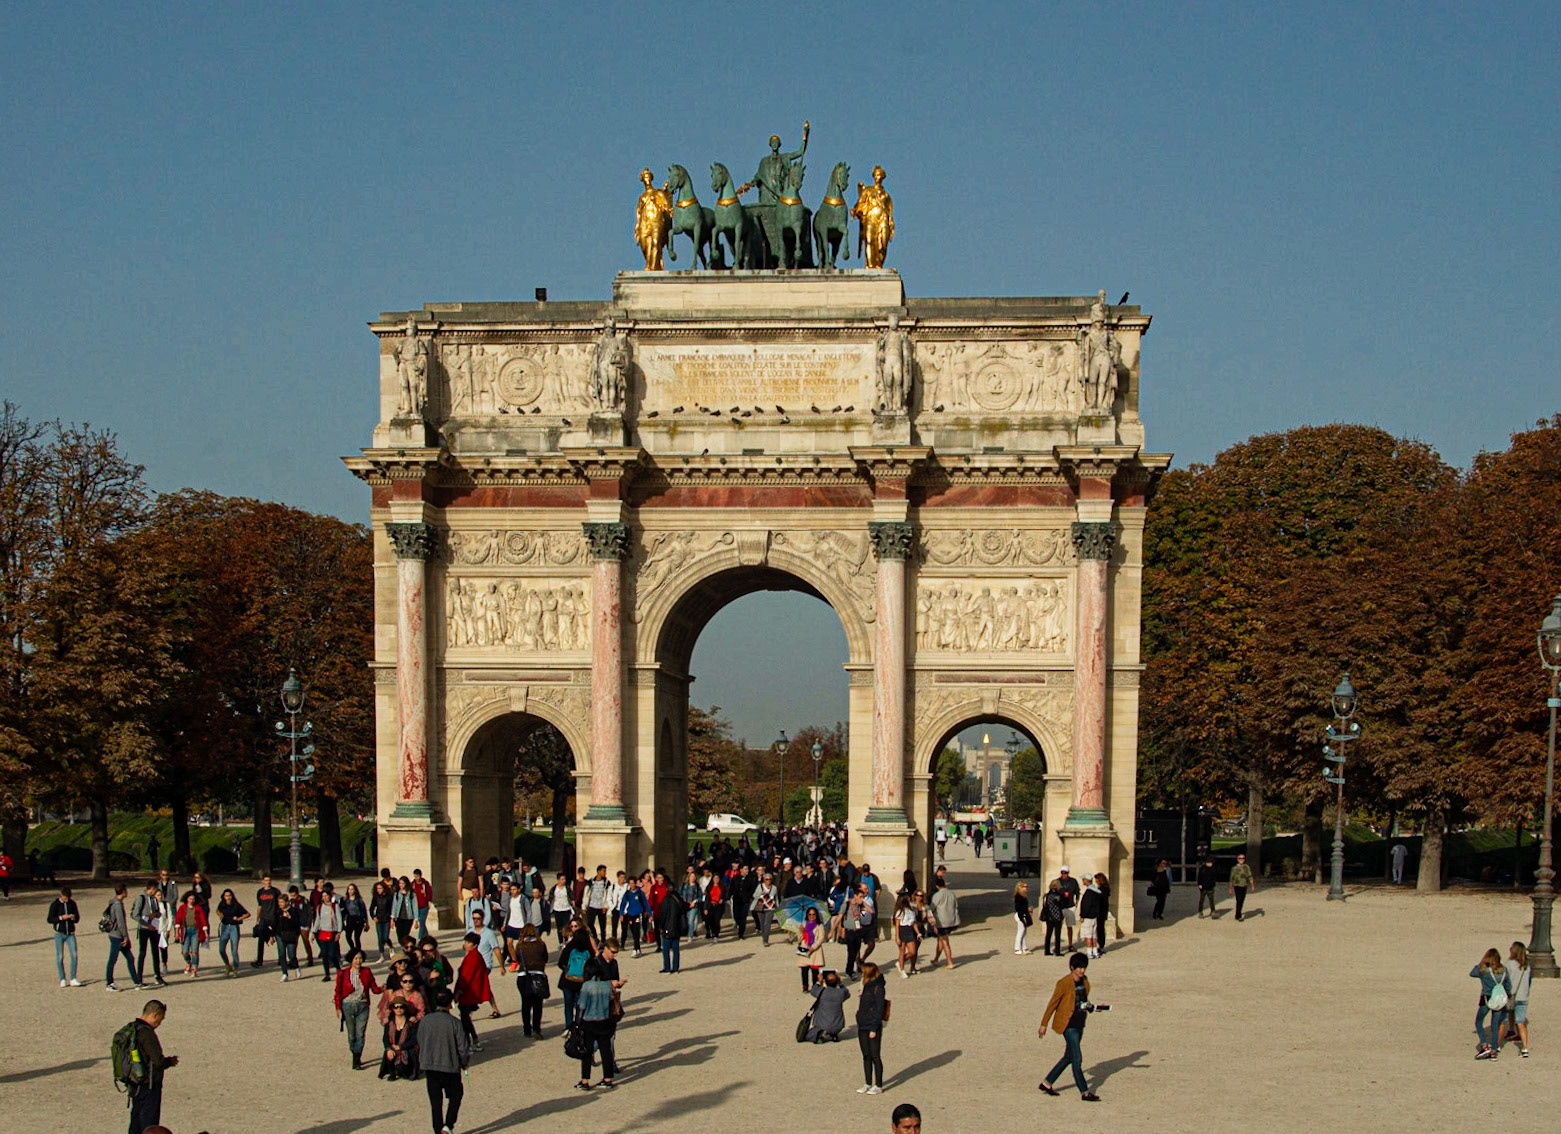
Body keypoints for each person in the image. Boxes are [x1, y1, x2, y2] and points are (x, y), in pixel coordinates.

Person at [1037, 952, 1101, 1101]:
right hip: (1068, 1025)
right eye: (1079, 968)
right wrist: (1044, 1024)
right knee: (1077, 1059)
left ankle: (1047, 1083)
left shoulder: (1085, 982)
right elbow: (1052, 1004)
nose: (1082, 970)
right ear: (1072, 967)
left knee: (1068, 1057)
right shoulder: (1063, 983)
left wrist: (1092, 1007)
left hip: (1079, 1023)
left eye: (1084, 967)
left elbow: (1083, 1001)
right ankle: (1085, 1092)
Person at [121, 998, 178, 1134]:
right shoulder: (146, 1033)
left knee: (135, 1121)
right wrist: (170, 1061)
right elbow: (158, 1061)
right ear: (154, 1014)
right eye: (160, 1019)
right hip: (149, 1085)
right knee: (149, 1126)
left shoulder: (131, 1029)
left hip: (134, 1083)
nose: (159, 1024)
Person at [418, 989, 471, 1134]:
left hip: (430, 1065)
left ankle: (438, 1129)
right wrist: (464, 1062)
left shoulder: (425, 1020)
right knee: (456, 1095)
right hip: (450, 1065)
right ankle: (448, 1125)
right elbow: (463, 1047)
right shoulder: (454, 1022)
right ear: (450, 1003)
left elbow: (420, 1040)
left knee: (435, 1102)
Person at [335, 948, 384, 1070]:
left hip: (363, 1005)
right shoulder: (343, 973)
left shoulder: (366, 971)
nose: (358, 961)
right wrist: (338, 1008)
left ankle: (356, 1058)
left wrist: (382, 989)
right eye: (356, 958)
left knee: (360, 1033)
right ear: (351, 960)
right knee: (351, 1035)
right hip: (348, 1005)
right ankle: (355, 1052)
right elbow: (338, 991)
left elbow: (374, 989)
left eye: (360, 958)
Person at [576, 958, 618, 1089]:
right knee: (606, 1051)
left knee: (587, 1052)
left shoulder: (587, 985)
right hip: (605, 1020)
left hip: (589, 1021)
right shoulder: (607, 985)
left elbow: (582, 1005)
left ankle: (585, 1080)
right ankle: (608, 1079)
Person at [1471, 947, 1510, 1059]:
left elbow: (1472, 973)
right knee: (1494, 1025)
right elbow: (1508, 986)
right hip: (1499, 999)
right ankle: (1493, 1051)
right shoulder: (1504, 971)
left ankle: (1484, 1045)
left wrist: (1481, 963)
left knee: (1479, 1021)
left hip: (1486, 998)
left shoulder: (1484, 971)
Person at [855, 961, 887, 1095]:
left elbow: (880, 1009)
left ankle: (878, 1085)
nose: (861, 974)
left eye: (863, 972)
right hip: (862, 1024)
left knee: (875, 1056)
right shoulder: (866, 985)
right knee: (866, 1055)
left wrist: (874, 1028)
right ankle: (867, 1083)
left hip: (872, 1025)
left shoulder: (878, 988)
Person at [104, 882, 140, 991]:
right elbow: (121, 923)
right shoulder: (118, 905)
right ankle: (109, 983)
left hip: (115, 934)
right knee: (113, 959)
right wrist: (126, 937)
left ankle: (137, 982)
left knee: (130, 958)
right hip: (117, 936)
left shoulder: (114, 902)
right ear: (123, 891)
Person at [515, 925, 550, 1037]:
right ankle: (536, 1029)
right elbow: (545, 958)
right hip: (538, 975)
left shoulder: (520, 946)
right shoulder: (541, 944)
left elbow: (517, 959)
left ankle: (526, 1029)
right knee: (537, 1004)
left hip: (523, 976)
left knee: (525, 1003)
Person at [558, 925, 594, 1031]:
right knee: (580, 1005)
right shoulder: (588, 950)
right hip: (582, 983)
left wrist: (567, 970)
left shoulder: (570, 948)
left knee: (568, 1005)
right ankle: (578, 1026)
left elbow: (561, 963)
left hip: (568, 981)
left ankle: (568, 1026)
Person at [132, 882, 165, 988]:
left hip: (153, 927)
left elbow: (158, 912)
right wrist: (146, 923)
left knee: (155, 952)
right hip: (144, 928)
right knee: (142, 952)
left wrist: (156, 914)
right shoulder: (141, 898)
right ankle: (139, 978)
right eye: (155, 889)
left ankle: (158, 976)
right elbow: (135, 915)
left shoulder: (153, 899)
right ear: (151, 888)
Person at [1503, 941, 1533, 1057]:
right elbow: (1529, 981)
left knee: (1507, 1015)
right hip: (1523, 995)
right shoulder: (1527, 965)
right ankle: (1524, 1048)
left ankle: (1510, 1032)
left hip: (1511, 995)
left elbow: (1506, 980)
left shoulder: (1509, 964)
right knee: (1521, 1021)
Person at [47, 885, 81, 987]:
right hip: (59, 933)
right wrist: (61, 918)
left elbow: (77, 918)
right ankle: (62, 978)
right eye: (65, 898)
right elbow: (50, 919)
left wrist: (74, 917)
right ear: (61, 895)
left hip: (70, 933)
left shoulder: (72, 903)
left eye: (68, 898)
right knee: (60, 956)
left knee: (74, 955)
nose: (66, 900)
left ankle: (73, 978)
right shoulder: (55, 904)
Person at [379, 997, 420, 1081]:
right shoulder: (389, 1023)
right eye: (396, 1007)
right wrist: (388, 1048)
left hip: (407, 1050)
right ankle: (392, 1073)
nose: (399, 1009)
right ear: (392, 1008)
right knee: (389, 1052)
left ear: (405, 1008)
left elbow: (414, 1039)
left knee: (404, 1072)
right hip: (393, 1049)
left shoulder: (411, 1023)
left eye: (401, 1007)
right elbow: (385, 1038)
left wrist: (401, 1047)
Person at [807, 968, 851, 1042]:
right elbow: (847, 993)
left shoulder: (821, 992)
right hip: (838, 1025)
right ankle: (834, 1034)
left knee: (808, 1035)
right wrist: (840, 983)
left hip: (822, 1025)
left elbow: (813, 990)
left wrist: (819, 981)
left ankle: (821, 1034)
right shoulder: (840, 993)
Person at [214, 888, 248, 976]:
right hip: (225, 927)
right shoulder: (222, 904)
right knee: (221, 949)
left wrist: (239, 918)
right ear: (224, 897)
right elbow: (217, 910)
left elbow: (247, 914)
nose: (228, 898)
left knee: (234, 950)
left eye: (229, 896)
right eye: (226, 896)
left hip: (234, 927)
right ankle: (227, 965)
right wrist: (220, 915)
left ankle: (235, 968)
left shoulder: (236, 905)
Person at [173, 891, 209, 977]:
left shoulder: (198, 908)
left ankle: (194, 968)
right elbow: (178, 920)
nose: (191, 900)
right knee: (184, 952)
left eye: (193, 899)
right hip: (185, 931)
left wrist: (205, 932)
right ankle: (188, 962)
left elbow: (203, 920)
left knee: (194, 951)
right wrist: (177, 932)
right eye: (190, 899)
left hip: (196, 931)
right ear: (187, 899)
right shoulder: (182, 908)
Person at [655, 882, 687, 973]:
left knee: (666, 949)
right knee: (675, 949)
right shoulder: (679, 899)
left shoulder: (666, 900)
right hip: (677, 927)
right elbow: (684, 909)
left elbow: (663, 915)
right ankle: (675, 967)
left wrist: (661, 926)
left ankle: (667, 967)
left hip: (667, 927)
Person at [251, 874, 281, 968]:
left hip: (274, 917)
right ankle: (259, 960)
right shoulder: (260, 892)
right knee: (260, 937)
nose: (268, 882)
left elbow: (280, 905)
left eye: (269, 880)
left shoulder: (276, 891)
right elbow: (259, 906)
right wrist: (257, 919)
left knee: (278, 937)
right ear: (263, 881)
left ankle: (281, 959)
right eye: (266, 880)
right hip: (264, 917)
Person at [929, 876, 958, 970]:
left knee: (945, 942)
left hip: (942, 921)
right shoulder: (952, 893)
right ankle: (936, 959)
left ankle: (950, 962)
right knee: (940, 940)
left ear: (937, 886)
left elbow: (932, 907)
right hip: (951, 920)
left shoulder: (937, 895)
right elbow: (956, 905)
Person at [798, 906, 826, 990]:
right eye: (810, 914)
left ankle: (815, 986)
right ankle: (805, 986)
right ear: (807, 915)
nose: (811, 916)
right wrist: (802, 932)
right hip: (804, 948)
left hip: (815, 950)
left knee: (815, 970)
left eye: (813, 914)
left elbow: (821, 938)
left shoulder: (819, 925)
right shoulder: (803, 924)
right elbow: (799, 939)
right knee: (804, 969)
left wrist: (813, 947)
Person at [1055, 867, 1081, 950]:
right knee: (1058, 926)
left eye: (1065, 873)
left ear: (1068, 873)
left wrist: (1076, 903)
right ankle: (1057, 945)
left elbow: (1077, 892)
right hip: (1061, 906)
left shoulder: (1073, 881)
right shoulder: (1057, 881)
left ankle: (1070, 944)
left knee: (1069, 926)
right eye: (1062, 873)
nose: (1064, 874)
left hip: (1070, 906)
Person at [1078, 877, 1103, 959]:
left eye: (1083, 880)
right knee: (1094, 935)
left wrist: (1082, 916)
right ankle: (1095, 952)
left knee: (1088, 935)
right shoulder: (1096, 891)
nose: (1082, 881)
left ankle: (1089, 953)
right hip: (1094, 916)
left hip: (1088, 917)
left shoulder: (1089, 892)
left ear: (1086, 880)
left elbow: (1086, 905)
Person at [342, 882, 368, 956]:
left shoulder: (359, 900)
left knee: (357, 937)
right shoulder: (345, 900)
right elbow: (344, 911)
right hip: (350, 919)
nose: (350, 891)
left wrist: (366, 923)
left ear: (355, 890)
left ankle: (358, 951)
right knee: (348, 936)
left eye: (352, 889)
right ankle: (352, 949)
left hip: (358, 920)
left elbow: (364, 911)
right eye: (349, 889)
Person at [753, 872, 779, 947]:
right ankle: (764, 936)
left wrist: (777, 907)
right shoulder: (760, 886)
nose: (768, 881)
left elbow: (776, 898)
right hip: (761, 908)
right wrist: (760, 894)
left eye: (770, 879)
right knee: (762, 924)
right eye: (766, 879)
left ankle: (765, 940)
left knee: (767, 924)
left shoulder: (774, 888)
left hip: (771, 908)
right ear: (764, 880)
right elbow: (754, 895)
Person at [370, 880, 394, 961]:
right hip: (379, 919)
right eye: (377, 888)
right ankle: (381, 955)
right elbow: (371, 908)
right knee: (380, 938)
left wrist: (392, 919)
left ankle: (391, 946)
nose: (379, 890)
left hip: (387, 919)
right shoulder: (376, 897)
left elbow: (392, 908)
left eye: (380, 888)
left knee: (385, 937)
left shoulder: (389, 897)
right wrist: (373, 917)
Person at [1039, 880, 1065, 956]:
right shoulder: (1059, 896)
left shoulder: (1046, 896)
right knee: (1057, 934)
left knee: (1048, 934)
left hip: (1049, 916)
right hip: (1057, 916)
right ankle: (1057, 951)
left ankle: (1047, 950)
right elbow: (1062, 905)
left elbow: (1045, 906)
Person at [1229, 854, 1256, 921]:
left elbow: (1250, 876)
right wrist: (1230, 888)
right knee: (1239, 900)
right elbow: (1231, 878)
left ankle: (1237, 914)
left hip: (1244, 885)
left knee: (1242, 900)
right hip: (1237, 885)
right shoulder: (1234, 868)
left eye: (1243, 858)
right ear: (1237, 859)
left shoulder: (1247, 867)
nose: (1241, 859)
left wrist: (1252, 885)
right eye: (1240, 858)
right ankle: (1239, 915)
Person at [411, 869, 434, 941]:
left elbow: (429, 893)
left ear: (420, 876)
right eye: (415, 877)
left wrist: (428, 901)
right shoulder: (413, 884)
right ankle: (426, 937)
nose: (416, 878)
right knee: (422, 923)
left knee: (422, 922)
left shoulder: (425, 884)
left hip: (424, 906)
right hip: (416, 906)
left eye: (417, 876)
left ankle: (420, 938)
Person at [1013, 881, 1033, 955]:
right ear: (1020, 887)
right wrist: (1027, 909)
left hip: (1024, 914)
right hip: (1020, 915)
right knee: (1020, 932)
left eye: (1026, 886)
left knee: (1024, 932)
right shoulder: (1018, 896)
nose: (1026, 888)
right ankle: (1017, 948)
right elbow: (1018, 908)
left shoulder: (1023, 895)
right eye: (1024, 886)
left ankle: (1024, 948)